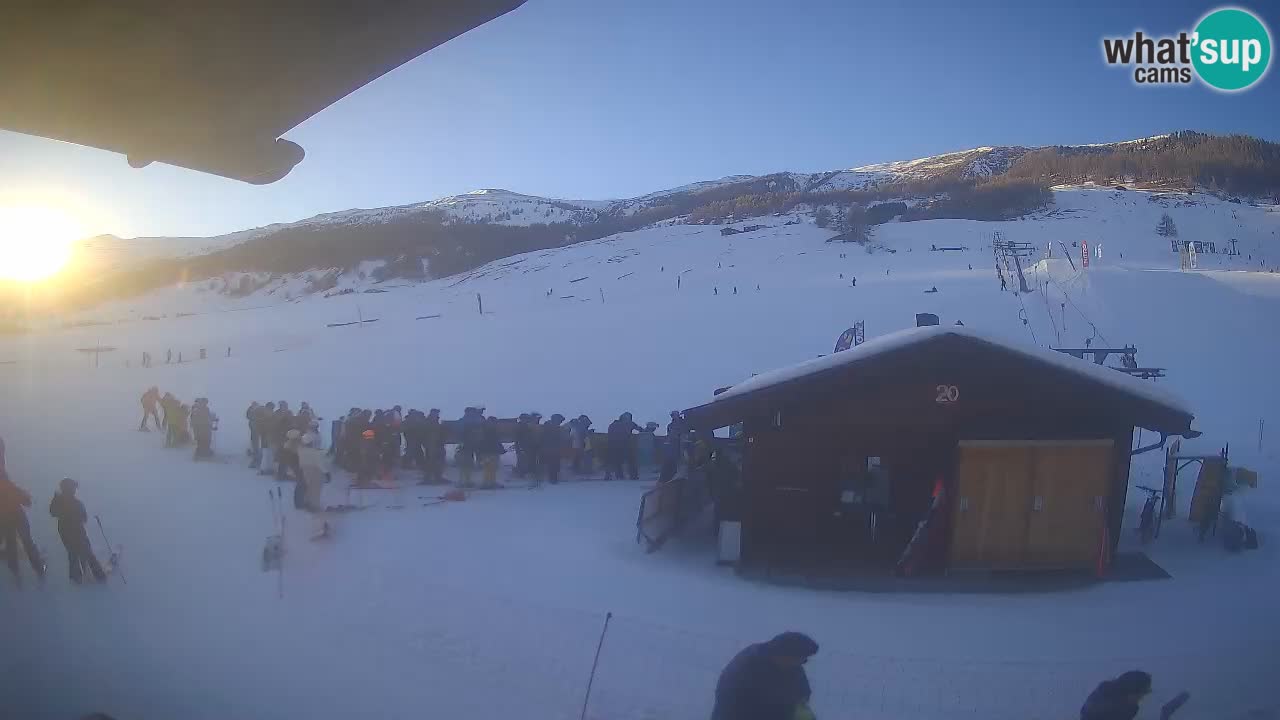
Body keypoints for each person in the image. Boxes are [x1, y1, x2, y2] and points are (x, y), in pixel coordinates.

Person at [712, 632, 818, 720]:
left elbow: (802, 689)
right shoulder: (747, 667)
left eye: (804, 660)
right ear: (784, 655)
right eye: (801, 659)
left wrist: (801, 705)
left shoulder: (791, 665)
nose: (802, 663)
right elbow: (731, 705)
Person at [48, 478, 106, 584]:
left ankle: (75, 576)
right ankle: (99, 575)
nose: (75, 490)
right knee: (87, 552)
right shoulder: (76, 503)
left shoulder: (59, 501)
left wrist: (56, 499)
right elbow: (84, 518)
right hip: (77, 531)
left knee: (72, 552)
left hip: (64, 531)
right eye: (74, 488)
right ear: (71, 489)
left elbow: (52, 512)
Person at [0, 467, 45, 586]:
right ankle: (39, 569)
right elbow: (27, 502)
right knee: (27, 543)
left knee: (11, 546)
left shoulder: (10, 487)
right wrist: (26, 496)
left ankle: (15, 572)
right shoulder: (11, 487)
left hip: (5, 522)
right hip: (18, 519)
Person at [1080, 671, 1152, 720]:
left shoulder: (1130, 706)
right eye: (1142, 692)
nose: (1142, 697)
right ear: (1132, 690)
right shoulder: (1104, 705)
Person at [605, 412, 643, 481]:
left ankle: (624, 475)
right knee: (621, 460)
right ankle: (628, 475)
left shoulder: (615, 424)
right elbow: (640, 429)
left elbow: (640, 429)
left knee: (620, 460)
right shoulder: (616, 424)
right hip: (620, 444)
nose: (628, 419)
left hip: (619, 444)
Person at [477, 416, 506, 489]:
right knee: (490, 467)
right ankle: (489, 482)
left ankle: (488, 482)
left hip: (487, 452)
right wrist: (501, 449)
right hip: (491, 452)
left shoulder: (483, 429)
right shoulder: (492, 431)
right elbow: (496, 441)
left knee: (490, 468)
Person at [540, 414, 566, 485]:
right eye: (560, 421)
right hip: (550, 449)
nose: (560, 422)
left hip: (554, 449)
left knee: (555, 464)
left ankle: (554, 478)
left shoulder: (553, 426)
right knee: (552, 464)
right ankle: (553, 479)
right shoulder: (550, 427)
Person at [423, 409, 445, 484]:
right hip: (431, 444)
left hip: (436, 444)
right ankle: (429, 478)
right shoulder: (429, 422)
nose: (437, 414)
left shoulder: (433, 421)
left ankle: (436, 477)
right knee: (431, 461)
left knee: (437, 461)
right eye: (436, 413)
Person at [256, 402, 277, 475]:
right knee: (267, 453)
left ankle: (266, 468)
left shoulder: (264, 415)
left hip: (267, 436)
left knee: (267, 453)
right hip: (267, 436)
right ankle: (265, 469)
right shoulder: (267, 415)